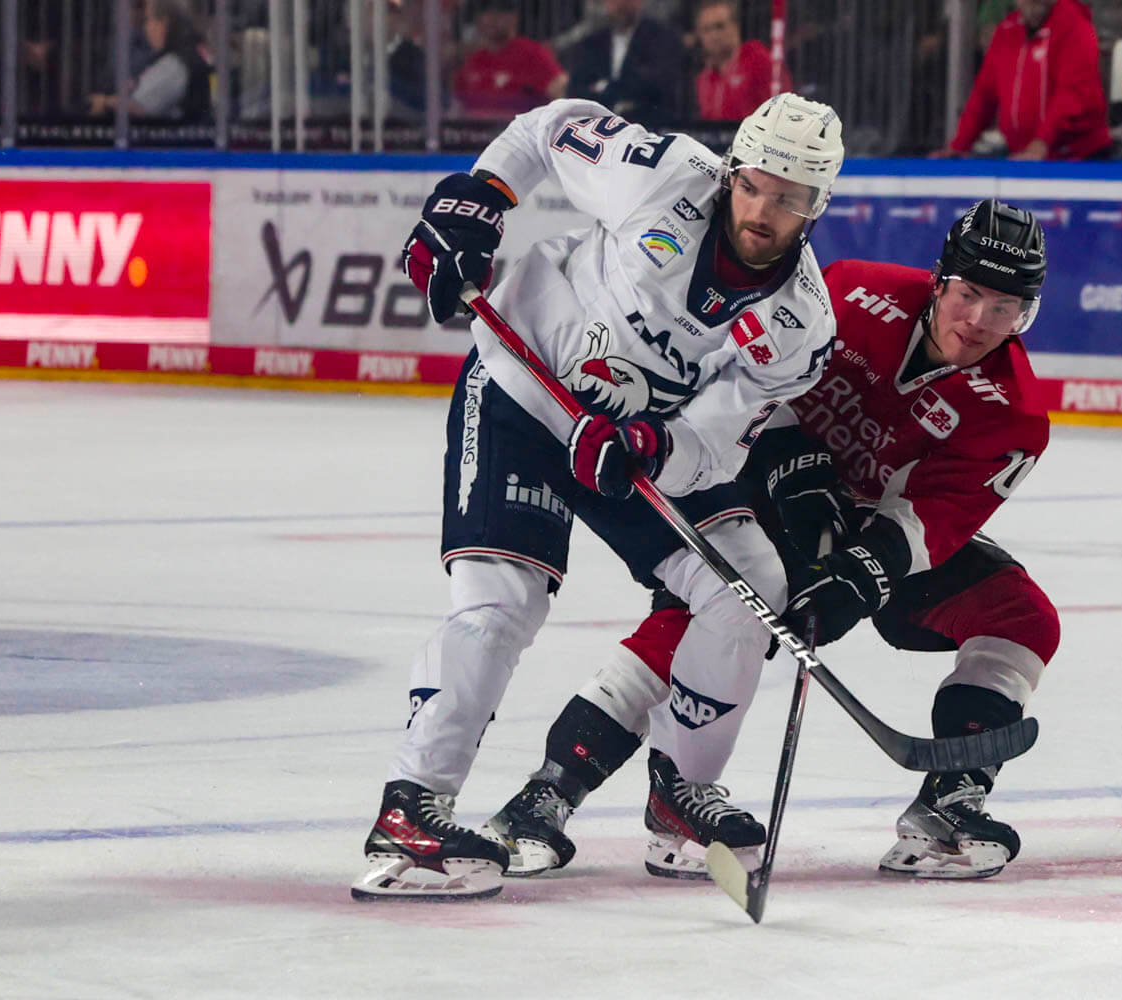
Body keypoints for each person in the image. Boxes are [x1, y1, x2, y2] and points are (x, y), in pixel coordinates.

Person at [350, 92, 845, 900]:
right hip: (521, 393)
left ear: (816, 206)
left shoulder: (800, 326)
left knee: (747, 586)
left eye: (789, 198)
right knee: (500, 605)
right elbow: (548, 128)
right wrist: (479, 197)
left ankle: (680, 796)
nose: (763, 210)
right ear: (732, 171)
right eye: (754, 184)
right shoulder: (664, 177)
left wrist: (656, 446)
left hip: (622, 446)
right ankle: (413, 810)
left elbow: (715, 440)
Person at [484, 200, 1060, 882]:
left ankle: (950, 805)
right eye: (970, 295)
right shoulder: (851, 290)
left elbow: (925, 520)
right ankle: (546, 797)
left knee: (1020, 617)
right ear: (940, 280)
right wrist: (784, 447)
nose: (980, 323)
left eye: (1007, 309)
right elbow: (745, 368)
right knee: (708, 614)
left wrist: (861, 572)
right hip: (744, 481)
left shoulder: (1013, 414)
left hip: (864, 526)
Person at [934, 0, 1111, 160]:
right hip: (1024, 158)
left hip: (1078, 158)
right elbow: (984, 95)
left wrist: (1042, 142)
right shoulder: (1007, 31)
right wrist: (959, 145)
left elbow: (1071, 96)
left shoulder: (1076, 27)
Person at [565, 0, 687, 128]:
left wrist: (604, 87)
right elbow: (576, 89)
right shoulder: (591, 43)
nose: (620, 4)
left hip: (648, 127)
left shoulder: (663, 37)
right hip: (598, 127)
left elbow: (655, 84)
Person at [89, 0, 211, 122]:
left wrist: (103, 102)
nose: (145, 28)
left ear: (164, 23)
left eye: (148, 20)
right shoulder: (176, 58)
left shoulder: (174, 64)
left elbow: (139, 107)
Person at [452, 0, 568, 120]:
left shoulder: (532, 53)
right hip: (475, 134)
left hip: (519, 133)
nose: (493, 19)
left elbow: (560, 88)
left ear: (514, 17)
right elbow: (457, 105)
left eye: (500, 12)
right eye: (487, 12)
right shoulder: (474, 60)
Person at [693, 0, 790, 121]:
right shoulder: (704, 79)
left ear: (735, 27)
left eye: (719, 26)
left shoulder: (758, 60)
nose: (714, 35)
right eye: (706, 30)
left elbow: (783, 109)